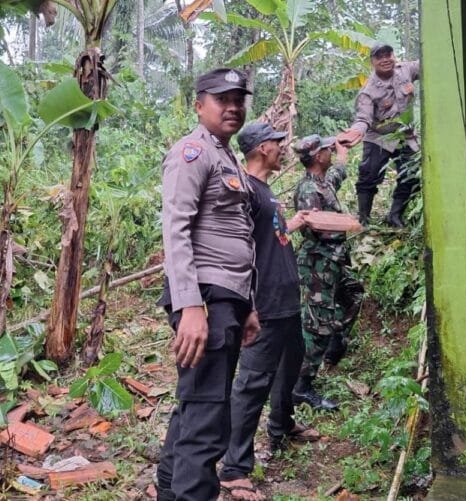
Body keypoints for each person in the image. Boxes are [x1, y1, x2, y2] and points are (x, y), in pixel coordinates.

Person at [156, 68, 261, 501]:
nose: (232, 106)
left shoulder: (226, 156)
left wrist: (248, 305)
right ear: (199, 105)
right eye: (222, 99)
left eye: (239, 98)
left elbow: (239, 234)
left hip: (226, 300)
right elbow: (175, 229)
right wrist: (191, 306)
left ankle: (169, 491)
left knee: (198, 406)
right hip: (206, 299)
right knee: (207, 420)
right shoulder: (192, 153)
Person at [218, 122, 320, 501]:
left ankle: (281, 426)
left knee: (290, 365)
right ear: (262, 148)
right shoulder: (244, 190)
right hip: (266, 302)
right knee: (252, 383)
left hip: (286, 299)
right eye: (278, 143)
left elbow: (271, 235)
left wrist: (293, 224)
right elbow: (237, 249)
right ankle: (234, 468)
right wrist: (248, 304)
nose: (283, 148)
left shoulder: (264, 189)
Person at [291, 135, 364, 411]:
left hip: (334, 259)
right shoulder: (309, 189)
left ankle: (337, 340)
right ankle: (302, 386)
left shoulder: (324, 182)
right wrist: (350, 223)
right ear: (317, 156)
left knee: (353, 293)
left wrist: (342, 150)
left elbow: (339, 171)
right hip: (318, 262)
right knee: (317, 324)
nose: (329, 153)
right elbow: (318, 227)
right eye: (326, 150)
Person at [338, 43, 421, 227]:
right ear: (372, 62)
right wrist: (356, 131)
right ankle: (364, 220)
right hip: (378, 137)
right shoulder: (368, 91)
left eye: (388, 55)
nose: (385, 60)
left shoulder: (406, 69)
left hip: (404, 134)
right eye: (379, 57)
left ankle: (395, 216)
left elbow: (427, 64)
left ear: (394, 55)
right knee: (368, 176)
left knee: (412, 174)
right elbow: (363, 119)